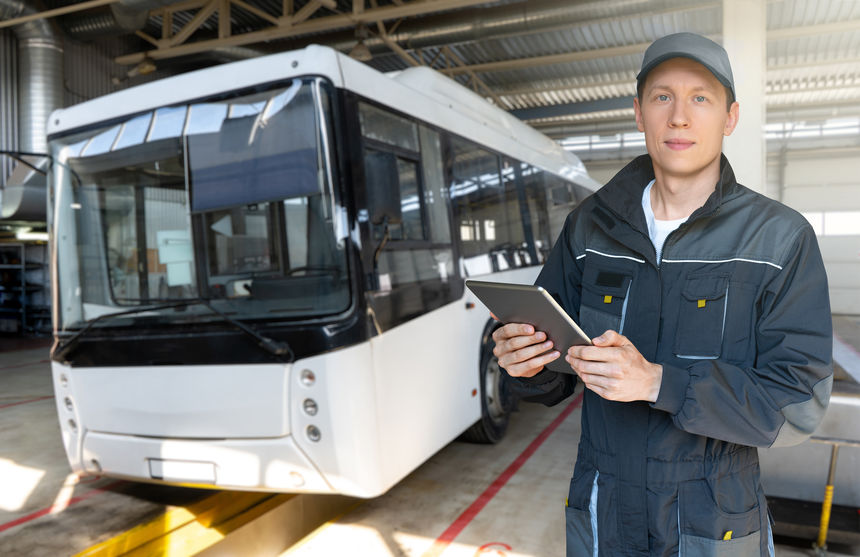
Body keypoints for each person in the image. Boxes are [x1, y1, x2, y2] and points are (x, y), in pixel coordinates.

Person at [493, 32, 833, 557]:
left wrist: (659, 383)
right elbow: (552, 373)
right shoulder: (589, 227)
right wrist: (526, 363)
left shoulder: (779, 238)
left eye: (701, 98)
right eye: (662, 96)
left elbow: (799, 404)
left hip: (713, 514)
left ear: (731, 117)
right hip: (603, 505)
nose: (679, 116)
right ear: (638, 112)